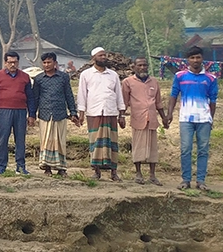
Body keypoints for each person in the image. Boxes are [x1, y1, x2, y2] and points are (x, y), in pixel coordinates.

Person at [168, 46, 217, 190]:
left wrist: (211, 119)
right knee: (185, 149)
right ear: (188, 60)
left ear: (202, 59)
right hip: (186, 119)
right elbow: (173, 95)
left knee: (203, 150)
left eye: (198, 57)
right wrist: (170, 114)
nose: (195, 60)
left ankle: (201, 181)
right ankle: (186, 180)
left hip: (204, 119)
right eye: (192, 58)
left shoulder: (210, 78)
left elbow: (213, 101)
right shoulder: (180, 76)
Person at [77, 47, 126, 182]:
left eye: (104, 55)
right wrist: (81, 113)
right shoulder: (86, 74)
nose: (104, 57)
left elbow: (119, 96)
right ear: (93, 58)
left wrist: (121, 114)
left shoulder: (113, 75)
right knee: (95, 142)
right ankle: (96, 171)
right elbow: (82, 95)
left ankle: (114, 172)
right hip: (94, 112)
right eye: (101, 55)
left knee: (112, 142)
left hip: (111, 112)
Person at [0, 51, 37, 176]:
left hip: (20, 111)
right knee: (3, 139)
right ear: (5, 63)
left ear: (18, 62)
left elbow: (30, 97)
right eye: (10, 62)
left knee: (20, 139)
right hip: (3, 111)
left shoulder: (25, 77)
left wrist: (31, 114)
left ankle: (20, 167)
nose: (13, 65)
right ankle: (1, 166)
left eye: (15, 62)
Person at [31, 52, 79, 177]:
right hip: (45, 114)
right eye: (44, 63)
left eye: (49, 62)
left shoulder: (63, 77)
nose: (46, 65)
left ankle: (61, 168)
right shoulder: (39, 79)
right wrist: (31, 114)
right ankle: (47, 167)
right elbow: (35, 98)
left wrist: (73, 112)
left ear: (55, 63)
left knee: (60, 141)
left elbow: (68, 95)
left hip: (60, 113)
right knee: (46, 141)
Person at [122, 57, 168, 186]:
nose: (143, 68)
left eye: (145, 65)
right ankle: (138, 173)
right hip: (138, 118)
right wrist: (120, 116)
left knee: (153, 148)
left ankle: (152, 175)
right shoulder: (128, 82)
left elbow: (158, 103)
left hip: (152, 119)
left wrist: (164, 118)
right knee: (138, 146)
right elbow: (124, 102)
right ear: (134, 67)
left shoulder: (154, 82)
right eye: (140, 65)